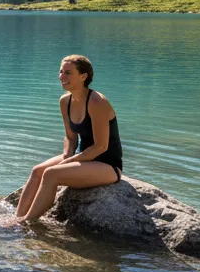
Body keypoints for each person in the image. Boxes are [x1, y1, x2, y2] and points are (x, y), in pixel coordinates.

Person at [15, 54, 124, 224]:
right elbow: (70, 138)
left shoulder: (97, 102)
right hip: (82, 157)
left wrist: (70, 162)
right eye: (60, 72)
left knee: (51, 174)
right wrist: (67, 156)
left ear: (83, 76)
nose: (61, 77)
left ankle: (27, 223)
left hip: (107, 165)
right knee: (37, 171)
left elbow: (101, 147)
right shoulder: (65, 101)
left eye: (68, 73)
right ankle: (17, 218)